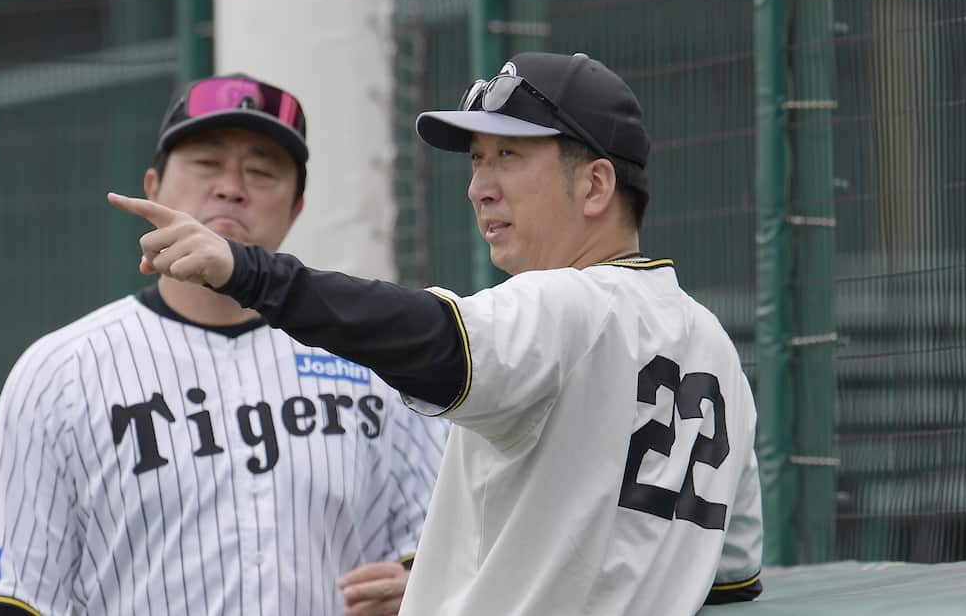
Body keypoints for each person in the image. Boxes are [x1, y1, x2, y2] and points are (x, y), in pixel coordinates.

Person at [110, 52, 763, 616]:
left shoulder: (563, 305)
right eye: (477, 160)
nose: (480, 188)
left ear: (595, 185)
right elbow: (729, 580)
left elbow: (431, 338)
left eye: (509, 155)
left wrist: (248, 272)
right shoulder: (715, 353)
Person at [0, 73, 447, 616]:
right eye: (207, 162)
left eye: (262, 170)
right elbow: (10, 595)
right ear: (153, 187)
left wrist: (428, 593)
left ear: (296, 207)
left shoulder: (374, 364)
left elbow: (449, 554)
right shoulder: (62, 370)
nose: (231, 187)